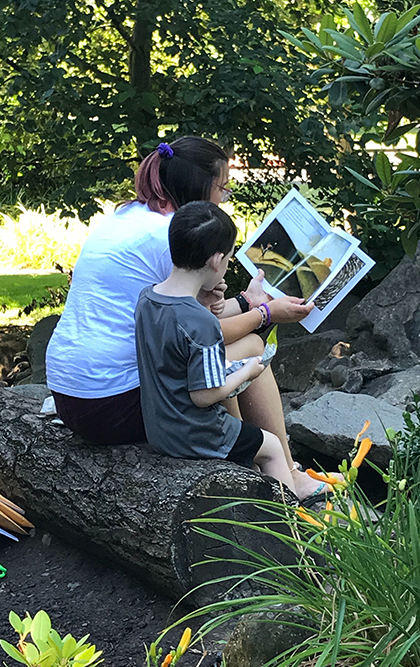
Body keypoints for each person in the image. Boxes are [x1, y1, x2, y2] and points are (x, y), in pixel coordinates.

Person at [46, 136, 330, 499]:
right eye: (222, 189)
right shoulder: (167, 236)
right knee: (251, 347)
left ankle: (261, 462)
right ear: (200, 189)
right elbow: (205, 335)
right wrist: (264, 314)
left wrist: (246, 303)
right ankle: (280, 468)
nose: (224, 199)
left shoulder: (131, 217)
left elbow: (185, 321)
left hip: (73, 397)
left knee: (244, 343)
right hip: (112, 404)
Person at [135, 200, 297, 495]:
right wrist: (247, 371)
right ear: (215, 260)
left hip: (159, 430)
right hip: (196, 433)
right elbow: (204, 395)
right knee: (271, 447)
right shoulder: (201, 323)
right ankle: (289, 531)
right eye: (228, 260)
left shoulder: (147, 300)